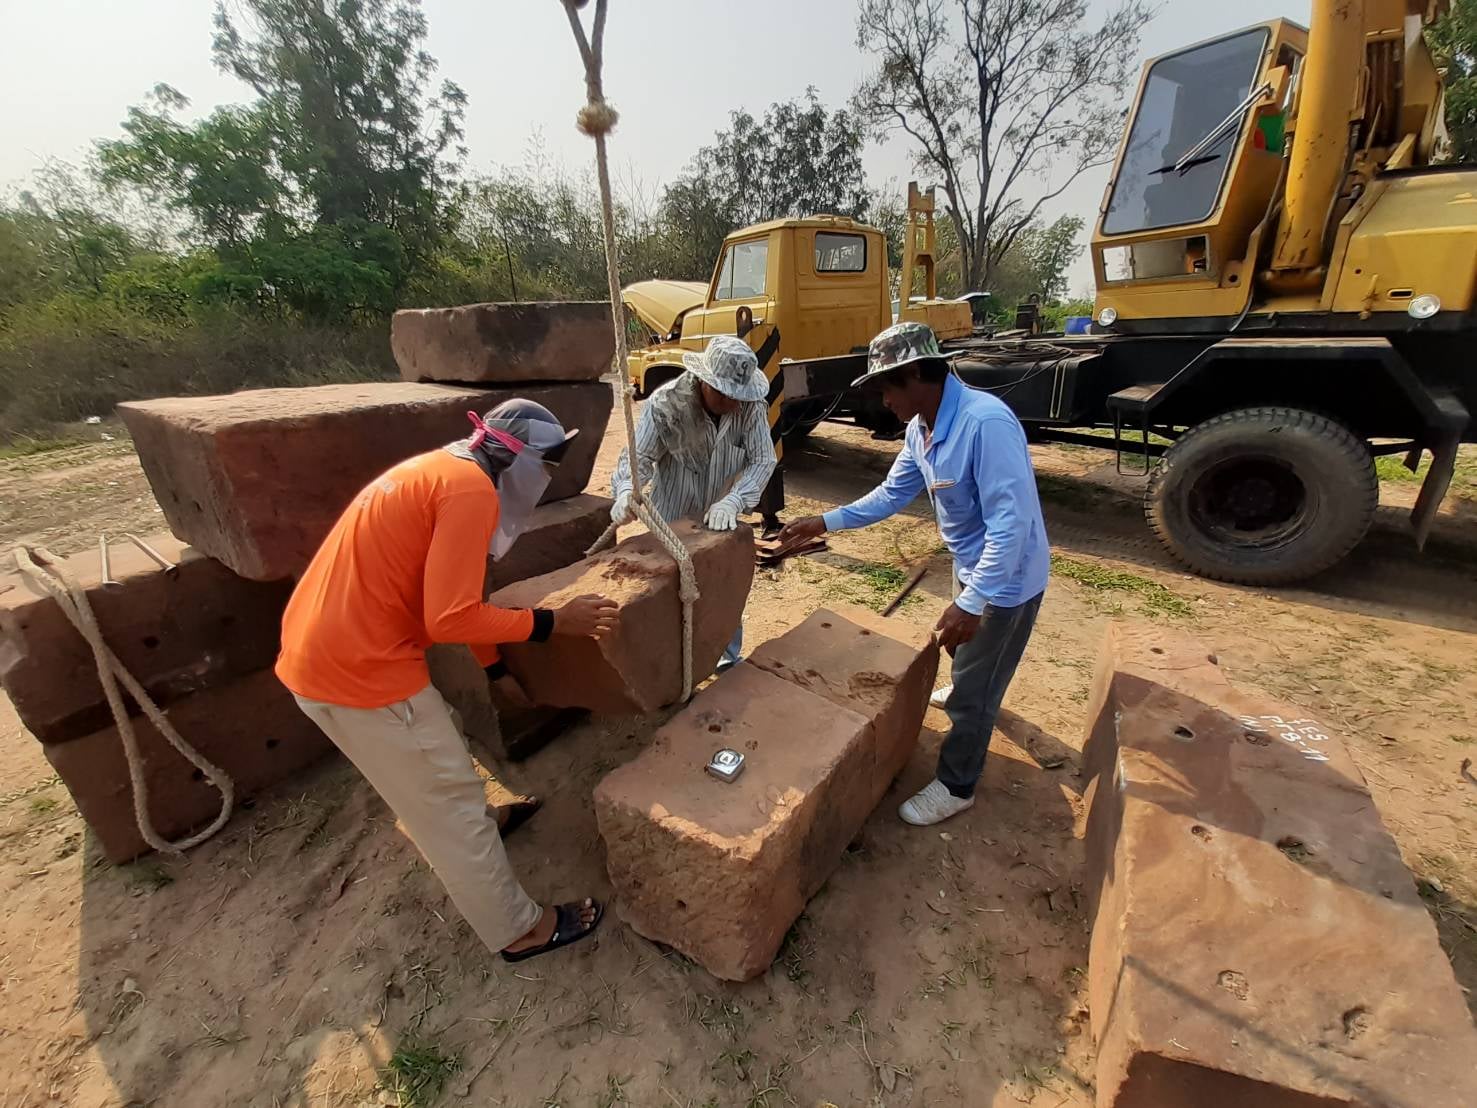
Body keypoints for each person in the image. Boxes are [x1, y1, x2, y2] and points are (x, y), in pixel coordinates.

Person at [276, 399, 618, 962]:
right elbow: (449, 618)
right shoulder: (469, 492)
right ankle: (517, 930)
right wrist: (555, 622)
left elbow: (460, 598)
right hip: (361, 674)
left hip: (324, 657)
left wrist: (496, 668)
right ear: (516, 458)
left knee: (439, 752)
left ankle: (480, 822)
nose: (551, 476)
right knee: (449, 799)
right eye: (548, 463)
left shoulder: (440, 471)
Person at [779, 322, 1049, 827]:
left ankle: (957, 784)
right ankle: (976, 683)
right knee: (970, 658)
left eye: (885, 387)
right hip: (973, 565)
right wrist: (825, 520)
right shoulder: (921, 428)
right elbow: (890, 494)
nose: (882, 400)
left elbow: (1011, 526)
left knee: (973, 693)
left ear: (915, 374)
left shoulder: (984, 424)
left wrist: (974, 602)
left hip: (1007, 580)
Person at [610, 334, 776, 669]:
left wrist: (734, 501)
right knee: (670, 598)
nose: (733, 403)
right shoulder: (665, 406)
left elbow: (763, 460)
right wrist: (627, 489)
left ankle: (724, 660)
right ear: (703, 380)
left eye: (738, 396)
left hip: (721, 516)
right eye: (724, 394)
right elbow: (639, 457)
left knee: (723, 589)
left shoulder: (749, 406)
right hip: (673, 517)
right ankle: (669, 669)